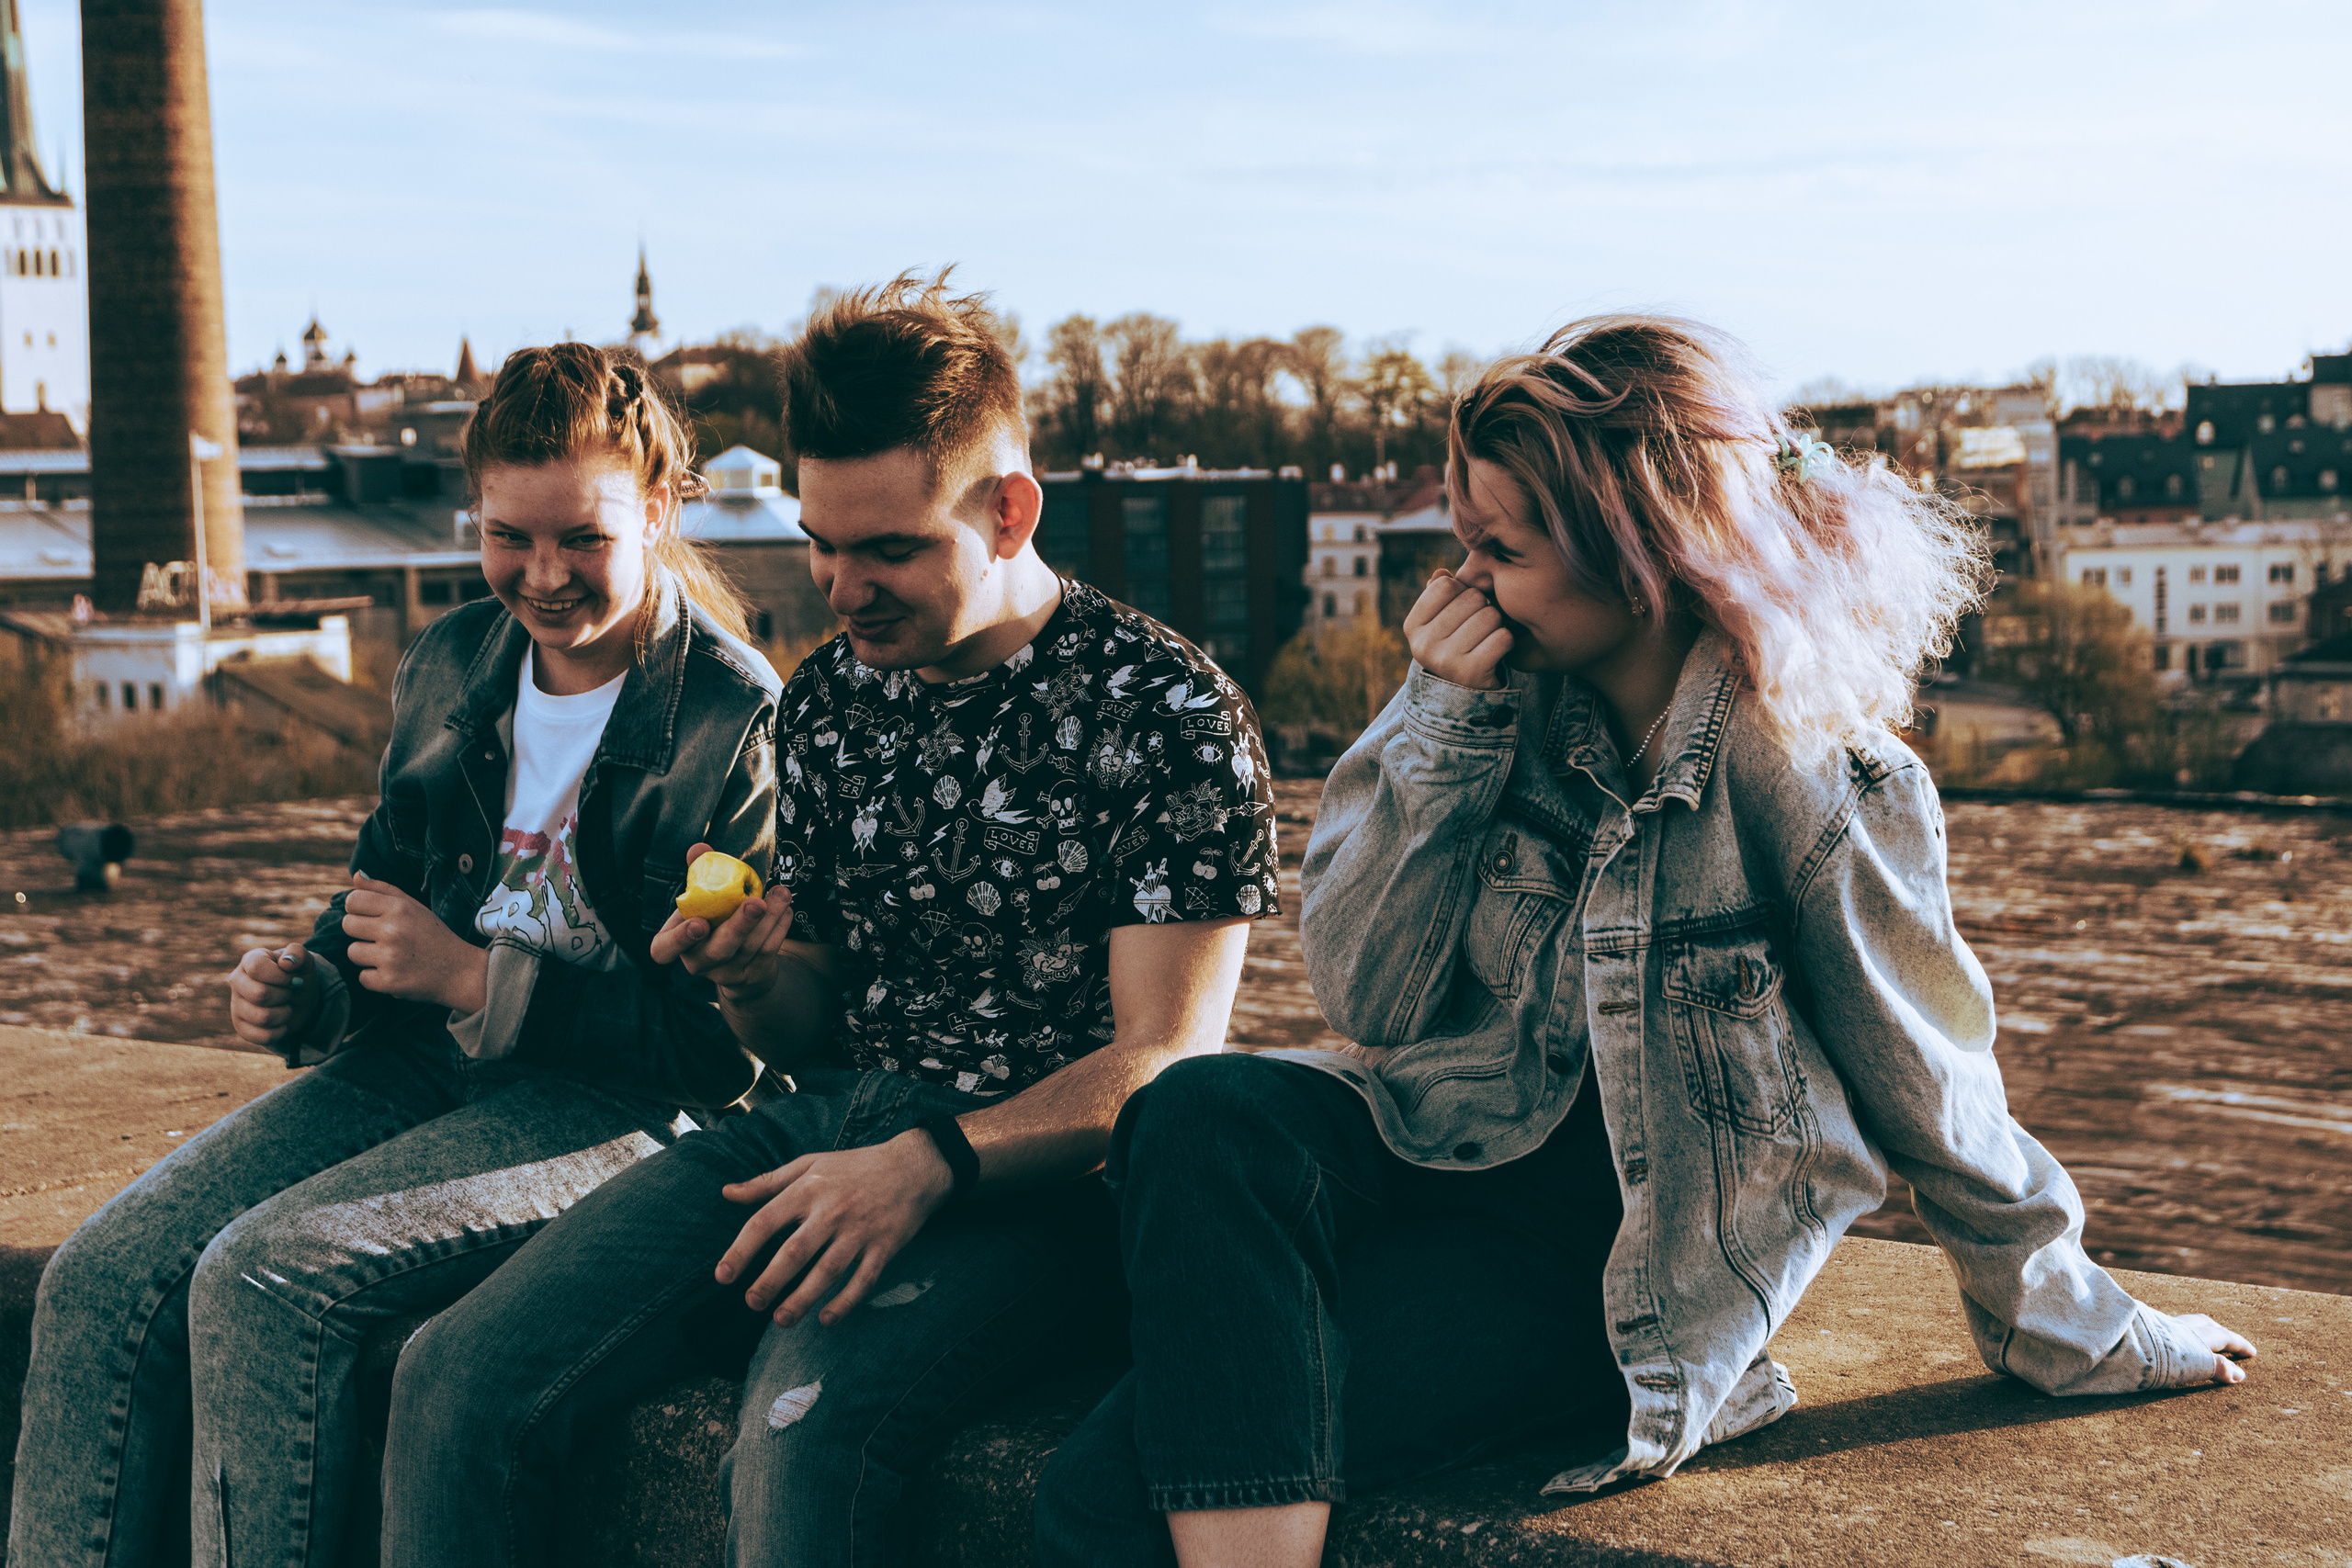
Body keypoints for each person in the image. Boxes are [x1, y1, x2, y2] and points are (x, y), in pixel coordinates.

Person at [1032, 314, 2259, 1566]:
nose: (1460, 587)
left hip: (1613, 1278)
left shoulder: (1818, 778)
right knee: (1197, 1111)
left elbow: (1934, 1093)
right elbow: (1369, 999)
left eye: (1497, 549)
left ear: (1642, 554)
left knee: (1112, 1485)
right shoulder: (1479, 709)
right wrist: (1442, 730)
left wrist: (2085, 1327)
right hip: (1444, 1159)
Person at [380, 273, 1281, 1568]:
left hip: (1047, 1192)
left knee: (801, 1435)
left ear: (1009, 510)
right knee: (454, 1375)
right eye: (822, 543)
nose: (842, 587)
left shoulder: (1166, 712)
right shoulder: (830, 705)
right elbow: (818, 1013)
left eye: (890, 549)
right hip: (829, 1130)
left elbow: (1164, 1067)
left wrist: (932, 1164)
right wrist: (750, 975)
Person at [7, 344, 784, 1565]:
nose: (544, 575)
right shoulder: (449, 664)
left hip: (613, 1107)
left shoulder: (731, 719)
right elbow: (381, 886)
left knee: (264, 1283)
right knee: (101, 1278)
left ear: (665, 503)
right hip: (421, 1061)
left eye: (583, 538)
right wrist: (309, 986)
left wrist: (482, 981)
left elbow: (715, 1056)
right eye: (509, 537)